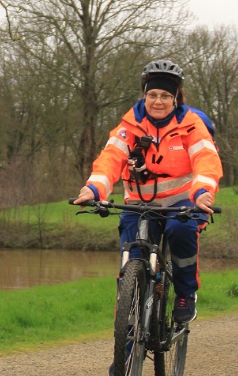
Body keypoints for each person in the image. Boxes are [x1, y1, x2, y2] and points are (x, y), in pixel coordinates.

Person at [74, 58, 223, 331]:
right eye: (152, 94)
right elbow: (110, 158)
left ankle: (185, 294)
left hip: (181, 202)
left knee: (181, 231)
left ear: (175, 98)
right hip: (139, 204)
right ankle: (128, 337)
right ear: (144, 95)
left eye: (165, 95)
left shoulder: (191, 125)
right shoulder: (129, 125)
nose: (158, 101)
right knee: (132, 255)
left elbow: (206, 159)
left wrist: (203, 192)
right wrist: (93, 189)